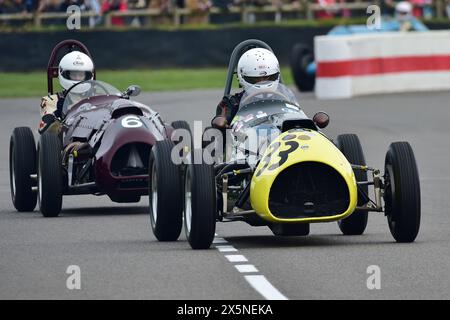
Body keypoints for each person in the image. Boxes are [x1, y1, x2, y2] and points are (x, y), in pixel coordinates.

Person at [211, 47, 280, 129]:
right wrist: (220, 121)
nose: (262, 82)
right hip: (247, 139)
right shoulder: (232, 103)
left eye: (268, 77)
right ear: (241, 77)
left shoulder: (283, 99)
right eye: (256, 78)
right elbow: (220, 121)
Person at [39, 51, 94, 131]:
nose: (78, 78)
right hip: (64, 136)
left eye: (81, 75)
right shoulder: (50, 101)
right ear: (64, 74)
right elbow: (45, 130)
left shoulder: (96, 98)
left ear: (88, 75)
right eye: (74, 75)